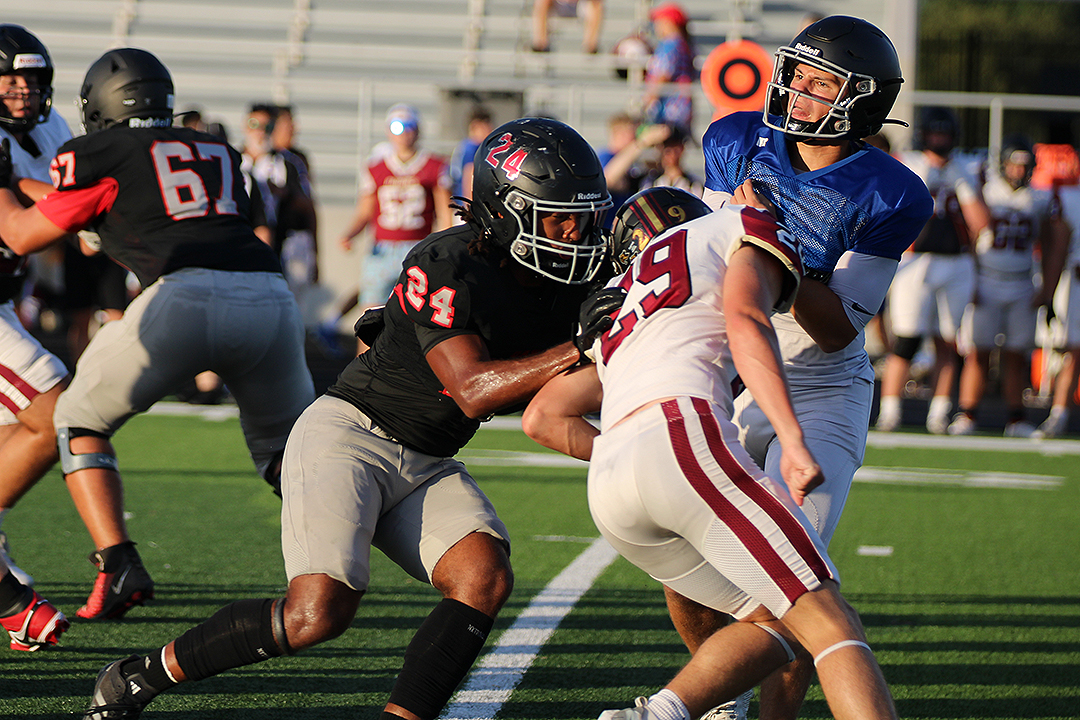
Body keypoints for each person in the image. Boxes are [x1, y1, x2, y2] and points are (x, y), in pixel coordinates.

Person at [79, 117, 612, 720]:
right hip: (351, 436)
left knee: (483, 577)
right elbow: (472, 390)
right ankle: (142, 674)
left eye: (585, 215)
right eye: (558, 217)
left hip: (428, 458)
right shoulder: (447, 261)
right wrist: (580, 347)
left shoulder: (572, 275)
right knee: (315, 616)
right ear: (505, 210)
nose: (576, 232)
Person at [523, 187, 899, 720]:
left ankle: (664, 714)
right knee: (832, 622)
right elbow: (747, 319)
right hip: (680, 432)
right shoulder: (740, 227)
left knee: (779, 620)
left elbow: (543, 417)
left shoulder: (628, 295)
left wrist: (631, 455)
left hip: (611, 489)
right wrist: (792, 440)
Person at [0, 48, 316, 622]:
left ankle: (118, 563)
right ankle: (371, 540)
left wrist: (5, 181)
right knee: (293, 458)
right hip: (269, 298)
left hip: (184, 293)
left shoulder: (102, 151)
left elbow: (25, 233)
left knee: (75, 420)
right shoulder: (214, 148)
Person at [689, 16, 932, 718]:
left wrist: (771, 248)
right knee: (695, 577)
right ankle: (713, 697)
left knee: (788, 578)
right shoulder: (735, 141)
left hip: (821, 390)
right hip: (731, 369)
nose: (796, 90)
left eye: (820, 82)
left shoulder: (893, 191)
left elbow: (834, 329)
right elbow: (709, 269)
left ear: (860, 101)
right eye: (796, 73)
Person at [0, 23, 71, 652]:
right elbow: (23, 220)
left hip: (6, 299)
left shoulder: (49, 132)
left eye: (32, 77)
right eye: (10, 76)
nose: (22, 89)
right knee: (56, 414)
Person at [876, 107, 991, 434]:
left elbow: (981, 224)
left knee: (947, 340)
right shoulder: (910, 163)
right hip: (915, 260)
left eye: (945, 133)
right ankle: (890, 410)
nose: (939, 139)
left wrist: (964, 185)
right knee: (906, 340)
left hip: (957, 261)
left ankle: (939, 412)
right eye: (934, 133)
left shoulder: (966, 168)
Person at [948, 136, 1067, 436]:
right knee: (978, 351)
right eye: (1014, 163)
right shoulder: (987, 192)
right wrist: (970, 279)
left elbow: (1052, 243)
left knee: (1016, 353)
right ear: (1002, 164)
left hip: (1021, 282)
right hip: (986, 279)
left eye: (1025, 164)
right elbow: (971, 238)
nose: (1019, 170)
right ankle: (968, 414)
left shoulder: (1040, 197)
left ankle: (1016, 419)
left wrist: (1047, 288)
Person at [334, 104, 452, 350]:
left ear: (418, 130)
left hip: (418, 248)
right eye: (396, 127)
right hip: (382, 249)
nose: (403, 134)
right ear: (387, 131)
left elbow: (444, 212)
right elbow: (365, 210)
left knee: (417, 317)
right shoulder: (376, 167)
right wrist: (350, 234)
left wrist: (446, 246)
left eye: (408, 126)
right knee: (370, 318)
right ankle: (362, 376)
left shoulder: (434, 165)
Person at [241, 102, 318, 291]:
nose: (259, 131)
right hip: (244, 242)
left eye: (266, 126)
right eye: (254, 124)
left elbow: (307, 206)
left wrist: (284, 193)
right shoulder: (234, 159)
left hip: (283, 243)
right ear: (245, 125)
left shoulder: (288, 163)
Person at [1036, 178, 1080, 437]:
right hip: (1076, 281)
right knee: (1073, 350)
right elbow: (1057, 248)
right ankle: (1059, 413)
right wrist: (1049, 293)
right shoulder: (1070, 198)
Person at [597, 112, 671, 227]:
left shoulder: (631, 161)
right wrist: (642, 142)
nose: (635, 137)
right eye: (633, 132)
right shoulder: (605, 156)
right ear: (620, 133)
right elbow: (609, 180)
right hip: (608, 227)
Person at [643, 2, 695, 136]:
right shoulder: (684, 45)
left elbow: (663, 74)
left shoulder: (670, 45)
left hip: (668, 110)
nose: (656, 27)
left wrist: (649, 99)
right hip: (682, 108)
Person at [639, 125, 704, 197]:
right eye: (666, 146)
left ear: (682, 148)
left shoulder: (694, 186)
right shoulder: (650, 184)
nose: (670, 151)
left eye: (674, 146)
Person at [449, 105, 494, 201]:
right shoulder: (473, 148)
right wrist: (470, 206)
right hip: (464, 204)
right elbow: (470, 176)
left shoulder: (464, 146)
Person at [532, 0, 604, 54]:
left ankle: (590, 46)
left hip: (580, 5)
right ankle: (540, 44)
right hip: (558, 5)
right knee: (541, 1)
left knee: (595, 3)